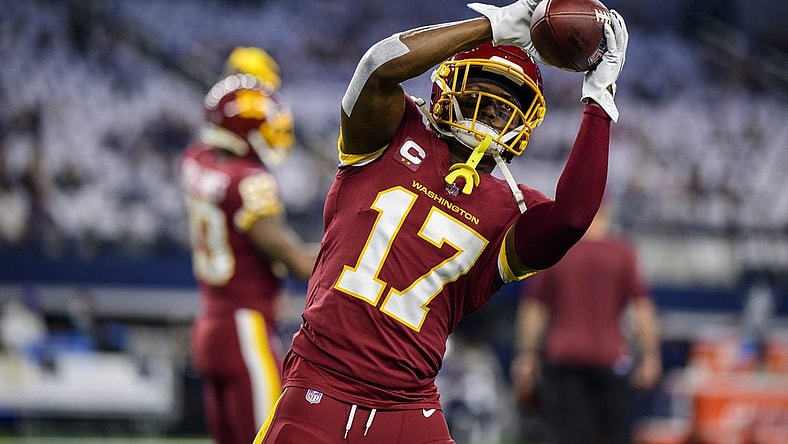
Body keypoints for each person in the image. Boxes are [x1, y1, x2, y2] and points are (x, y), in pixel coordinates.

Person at [255, 0, 629, 442]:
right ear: (446, 85)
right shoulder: (391, 131)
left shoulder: (511, 208)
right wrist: (490, 25)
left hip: (409, 405)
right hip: (320, 383)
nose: (493, 108)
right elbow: (378, 66)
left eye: (510, 103)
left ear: (526, 121)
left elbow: (572, 218)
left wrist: (599, 98)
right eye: (483, 87)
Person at [179, 53, 317, 444]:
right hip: (246, 329)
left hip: (209, 325)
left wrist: (233, 91)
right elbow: (297, 264)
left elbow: (218, 121)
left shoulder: (197, 161)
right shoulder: (250, 182)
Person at [510, 205, 662, 444]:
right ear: (607, 214)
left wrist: (527, 356)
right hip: (611, 359)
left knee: (565, 436)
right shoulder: (622, 253)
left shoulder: (557, 252)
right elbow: (642, 310)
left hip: (564, 359)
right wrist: (650, 357)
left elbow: (534, 310)